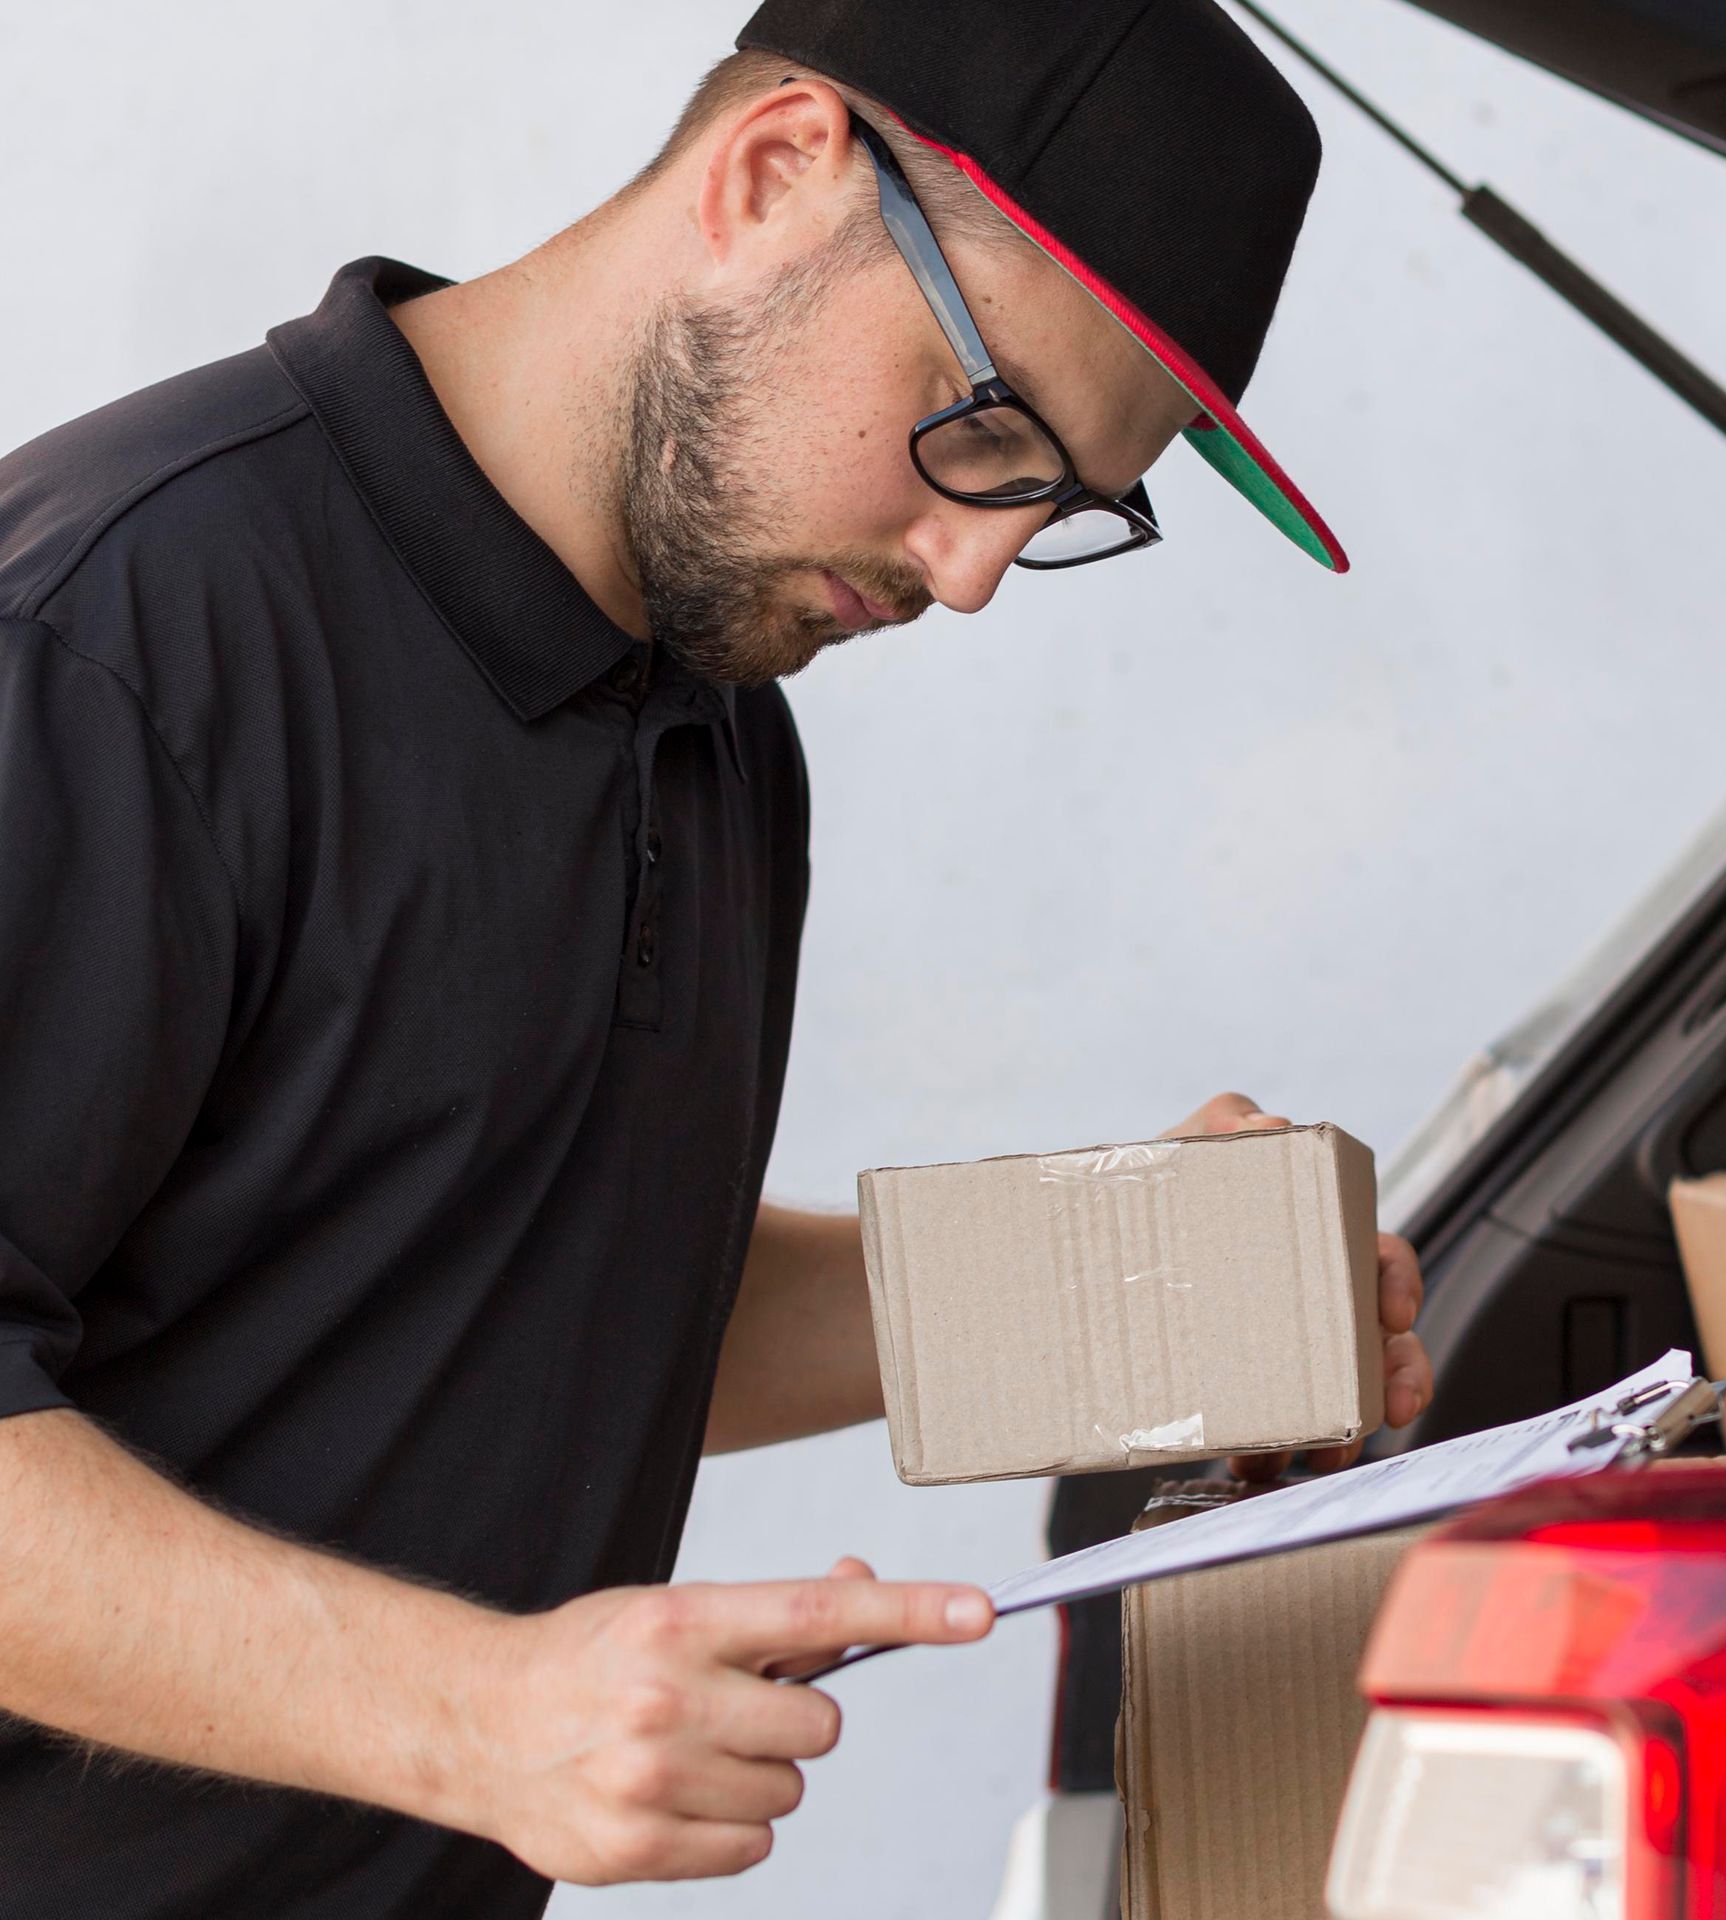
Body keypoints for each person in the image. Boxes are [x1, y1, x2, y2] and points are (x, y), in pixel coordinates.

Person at [0, 1, 1432, 1912]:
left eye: (1065, 504)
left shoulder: (721, 712)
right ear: (772, 177)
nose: (977, 571)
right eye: (983, 427)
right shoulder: (110, 640)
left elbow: (522, 1255)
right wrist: (479, 1714)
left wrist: (1118, 1299)